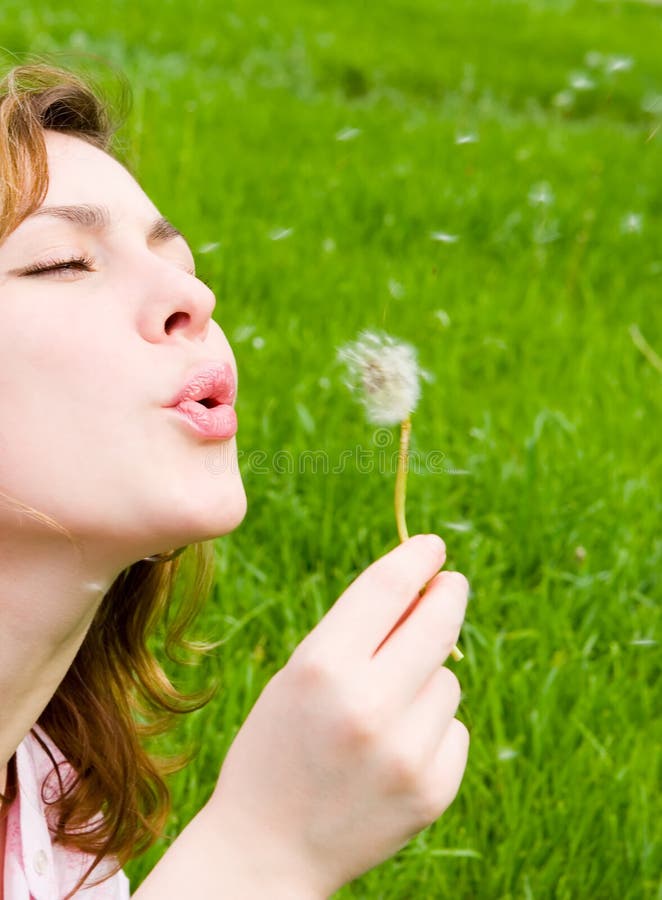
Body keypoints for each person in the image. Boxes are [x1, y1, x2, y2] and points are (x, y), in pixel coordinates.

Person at [0, 60, 470, 899]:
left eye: (177, 260)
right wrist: (262, 854)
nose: (195, 294)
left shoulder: (52, 810)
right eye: (63, 262)